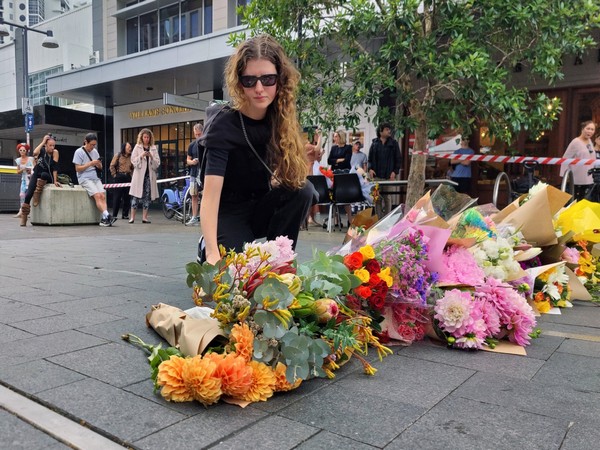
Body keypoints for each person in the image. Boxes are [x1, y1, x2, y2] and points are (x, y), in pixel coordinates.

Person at [199, 34, 314, 264]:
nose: (259, 88)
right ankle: (206, 245)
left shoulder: (280, 118)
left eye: (268, 79)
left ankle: (280, 260)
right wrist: (213, 252)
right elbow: (210, 196)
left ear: (280, 79)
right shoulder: (224, 124)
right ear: (239, 82)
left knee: (303, 189)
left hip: (260, 205)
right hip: (228, 211)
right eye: (249, 80)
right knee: (235, 277)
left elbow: (290, 185)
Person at [73, 132, 116, 227]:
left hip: (94, 177)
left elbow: (100, 167)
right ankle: (107, 216)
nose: (93, 147)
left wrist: (98, 164)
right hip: (84, 178)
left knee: (102, 195)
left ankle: (105, 218)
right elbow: (77, 169)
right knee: (97, 195)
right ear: (85, 142)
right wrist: (90, 163)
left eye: (94, 145)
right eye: (91, 145)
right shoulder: (79, 152)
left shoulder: (95, 151)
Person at [19, 135, 61, 226]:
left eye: (54, 145)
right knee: (29, 193)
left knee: (43, 175)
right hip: (37, 173)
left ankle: (37, 192)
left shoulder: (55, 153)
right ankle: (24, 218)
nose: (52, 147)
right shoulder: (41, 150)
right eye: (50, 145)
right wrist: (42, 142)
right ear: (46, 145)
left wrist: (55, 180)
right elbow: (34, 153)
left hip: (48, 175)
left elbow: (55, 168)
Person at [368, 123, 402, 217]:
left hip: (388, 176)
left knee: (387, 197)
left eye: (389, 129)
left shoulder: (393, 144)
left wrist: (394, 171)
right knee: (376, 198)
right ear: (381, 131)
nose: (389, 131)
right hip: (376, 177)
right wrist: (370, 169)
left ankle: (387, 218)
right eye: (387, 129)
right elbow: (369, 159)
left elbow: (398, 159)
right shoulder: (374, 144)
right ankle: (378, 219)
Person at [129, 128, 160, 223]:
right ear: (141, 138)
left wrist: (151, 156)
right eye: (145, 137)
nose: (146, 139)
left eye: (148, 137)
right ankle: (132, 217)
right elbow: (133, 160)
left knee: (147, 196)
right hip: (138, 176)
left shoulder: (154, 148)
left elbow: (157, 163)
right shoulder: (137, 147)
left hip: (149, 176)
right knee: (135, 196)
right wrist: (141, 155)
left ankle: (144, 217)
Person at [560, 120, 597, 201]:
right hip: (577, 180)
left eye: (592, 129)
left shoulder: (590, 141)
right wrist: (566, 177)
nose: (590, 131)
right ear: (583, 129)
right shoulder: (575, 142)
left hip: (589, 179)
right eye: (588, 128)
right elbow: (565, 158)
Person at [185, 123, 204, 225]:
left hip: (204, 173)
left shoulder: (206, 144)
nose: (197, 136)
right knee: (194, 195)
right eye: (196, 134)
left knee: (206, 195)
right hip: (194, 173)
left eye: (199, 134)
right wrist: (192, 162)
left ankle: (205, 217)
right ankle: (194, 217)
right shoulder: (192, 145)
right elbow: (188, 159)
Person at [109, 142, 133, 219]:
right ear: (124, 147)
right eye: (128, 147)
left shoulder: (131, 156)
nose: (130, 148)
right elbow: (112, 165)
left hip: (128, 177)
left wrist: (132, 176)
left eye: (130, 147)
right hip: (119, 177)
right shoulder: (118, 155)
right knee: (117, 197)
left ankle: (125, 214)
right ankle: (114, 214)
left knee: (127, 197)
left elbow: (132, 167)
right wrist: (115, 175)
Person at [305, 128, 323, 226]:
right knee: (310, 192)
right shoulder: (308, 145)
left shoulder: (312, 146)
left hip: (313, 170)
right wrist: (320, 136)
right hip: (308, 170)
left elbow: (317, 159)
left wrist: (322, 154)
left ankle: (312, 217)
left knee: (314, 193)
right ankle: (308, 217)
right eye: (315, 135)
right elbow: (316, 148)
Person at [14, 143, 34, 218]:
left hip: (30, 179)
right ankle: (21, 211)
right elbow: (18, 171)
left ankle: (28, 211)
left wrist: (30, 170)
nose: (22, 151)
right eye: (20, 150)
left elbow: (35, 168)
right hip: (24, 179)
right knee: (22, 194)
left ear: (26, 151)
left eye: (23, 150)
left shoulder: (31, 159)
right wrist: (23, 169)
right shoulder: (18, 160)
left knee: (29, 195)